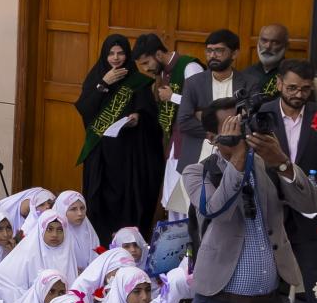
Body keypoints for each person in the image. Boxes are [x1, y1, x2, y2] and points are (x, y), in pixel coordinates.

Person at [182, 98, 317, 303]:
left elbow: (312, 205)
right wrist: (237, 158)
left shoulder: (266, 165)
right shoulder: (198, 172)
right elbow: (216, 210)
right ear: (212, 137)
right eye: (231, 125)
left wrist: (282, 162)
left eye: (242, 122)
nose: (241, 131)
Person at [265, 60, 317, 303]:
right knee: (262, 284)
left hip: (309, 217)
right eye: (292, 87)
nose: (298, 94)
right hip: (270, 215)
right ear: (279, 84)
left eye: (305, 89)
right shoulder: (262, 115)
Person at [76, 34, 167, 242]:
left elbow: (152, 117)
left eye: (120, 53)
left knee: (129, 203)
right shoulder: (96, 78)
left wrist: (139, 117)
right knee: (99, 203)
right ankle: (100, 247)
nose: (116, 58)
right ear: (104, 55)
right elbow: (85, 109)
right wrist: (103, 84)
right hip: (102, 155)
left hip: (129, 157)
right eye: (111, 53)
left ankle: (129, 246)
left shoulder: (138, 81)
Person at [175, 28, 258, 167]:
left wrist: (204, 116)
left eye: (219, 50)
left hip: (236, 157)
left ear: (234, 53)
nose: (212, 55)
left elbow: (251, 120)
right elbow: (184, 122)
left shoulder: (249, 83)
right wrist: (219, 132)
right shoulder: (193, 83)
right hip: (199, 155)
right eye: (209, 51)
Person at [244, 23, 291, 100]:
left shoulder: (294, 75)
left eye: (275, 42)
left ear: (286, 46)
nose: (267, 46)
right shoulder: (246, 73)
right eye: (264, 41)